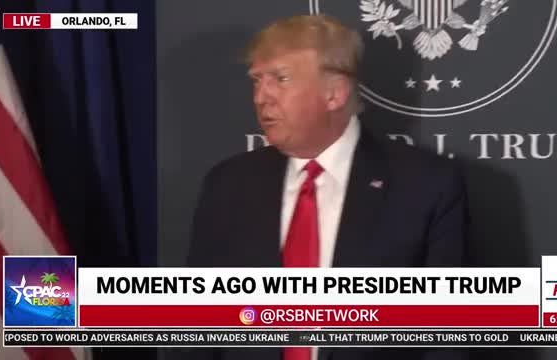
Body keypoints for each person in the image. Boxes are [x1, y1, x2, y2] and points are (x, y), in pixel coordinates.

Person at [186, 14, 468, 360]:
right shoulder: (227, 185)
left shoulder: (426, 185)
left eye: (281, 78)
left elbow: (445, 340)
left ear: (334, 93)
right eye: (257, 81)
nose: (261, 97)